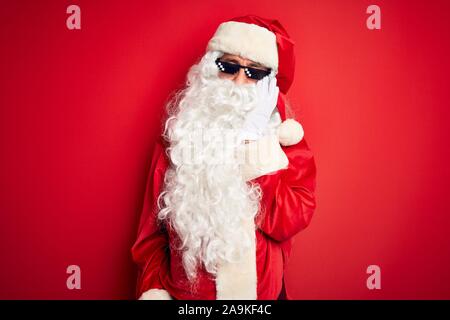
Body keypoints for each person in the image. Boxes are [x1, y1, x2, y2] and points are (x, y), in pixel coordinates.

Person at [131, 14, 317, 300]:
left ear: (269, 82)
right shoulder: (177, 140)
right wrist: (153, 290)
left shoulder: (284, 140)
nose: (239, 80)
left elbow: (289, 221)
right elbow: (151, 239)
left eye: (254, 72)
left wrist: (253, 142)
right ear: (209, 69)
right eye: (228, 66)